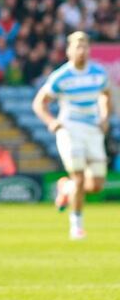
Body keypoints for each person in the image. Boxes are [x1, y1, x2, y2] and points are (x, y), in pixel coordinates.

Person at [32, 31, 113, 240]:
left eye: (85, 47)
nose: (82, 51)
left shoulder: (97, 72)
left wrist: (104, 117)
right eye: (77, 47)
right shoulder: (61, 76)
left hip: (93, 129)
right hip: (70, 129)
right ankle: (76, 225)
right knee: (78, 177)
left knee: (95, 185)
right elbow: (39, 103)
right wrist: (52, 122)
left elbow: (106, 95)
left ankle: (65, 188)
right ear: (69, 51)